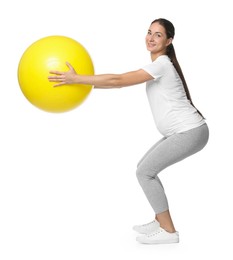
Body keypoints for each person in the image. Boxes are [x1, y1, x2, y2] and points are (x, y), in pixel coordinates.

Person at [48, 18, 209, 244]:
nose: (151, 38)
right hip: (185, 132)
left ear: (169, 41)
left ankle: (169, 232)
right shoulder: (160, 65)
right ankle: (160, 220)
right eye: (149, 32)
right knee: (143, 167)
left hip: (191, 132)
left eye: (158, 35)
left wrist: (77, 79)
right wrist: (80, 83)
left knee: (145, 172)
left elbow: (119, 80)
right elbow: (115, 82)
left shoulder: (161, 64)